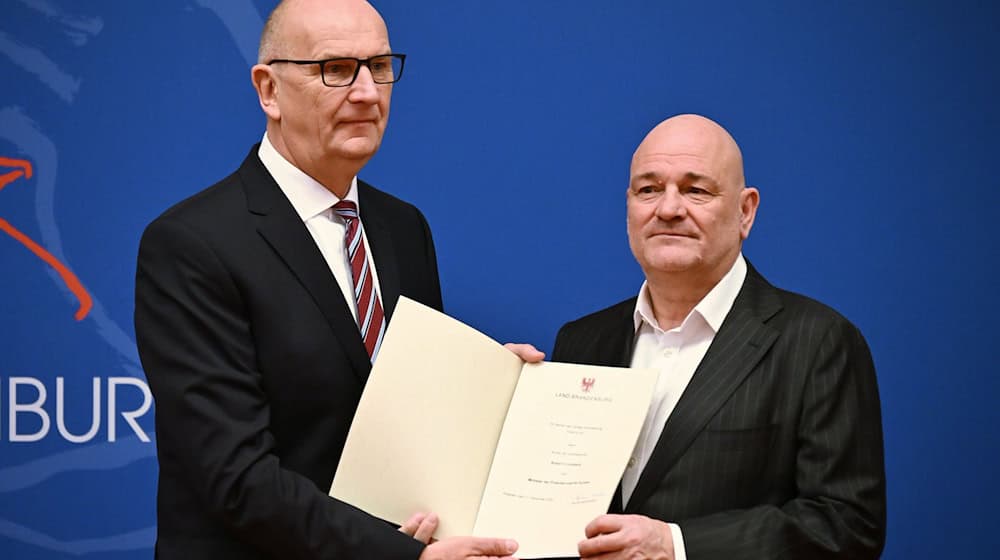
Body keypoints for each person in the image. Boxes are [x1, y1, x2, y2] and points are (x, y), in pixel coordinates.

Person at [134, 1, 518, 558]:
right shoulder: (192, 245)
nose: (366, 92)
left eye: (379, 66)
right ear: (268, 90)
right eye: (335, 69)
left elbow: (405, 417)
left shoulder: (404, 228)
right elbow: (237, 478)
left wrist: (490, 386)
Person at [512, 114, 886, 559]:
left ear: (745, 211)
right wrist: (503, 409)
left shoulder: (819, 341)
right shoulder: (581, 341)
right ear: (628, 205)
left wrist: (677, 546)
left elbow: (846, 525)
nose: (668, 209)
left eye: (696, 190)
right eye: (649, 189)